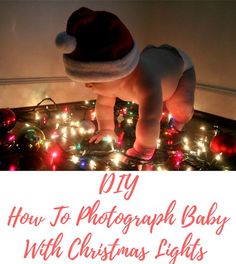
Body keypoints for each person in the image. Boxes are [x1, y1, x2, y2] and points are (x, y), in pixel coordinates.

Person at [55, 7, 196, 160]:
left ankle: (178, 124)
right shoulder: (113, 81)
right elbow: (104, 105)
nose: (88, 86)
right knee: (152, 104)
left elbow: (149, 119)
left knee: (180, 109)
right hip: (153, 55)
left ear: (118, 70)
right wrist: (107, 129)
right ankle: (159, 103)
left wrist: (144, 148)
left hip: (180, 64)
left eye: (94, 80)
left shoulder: (147, 82)